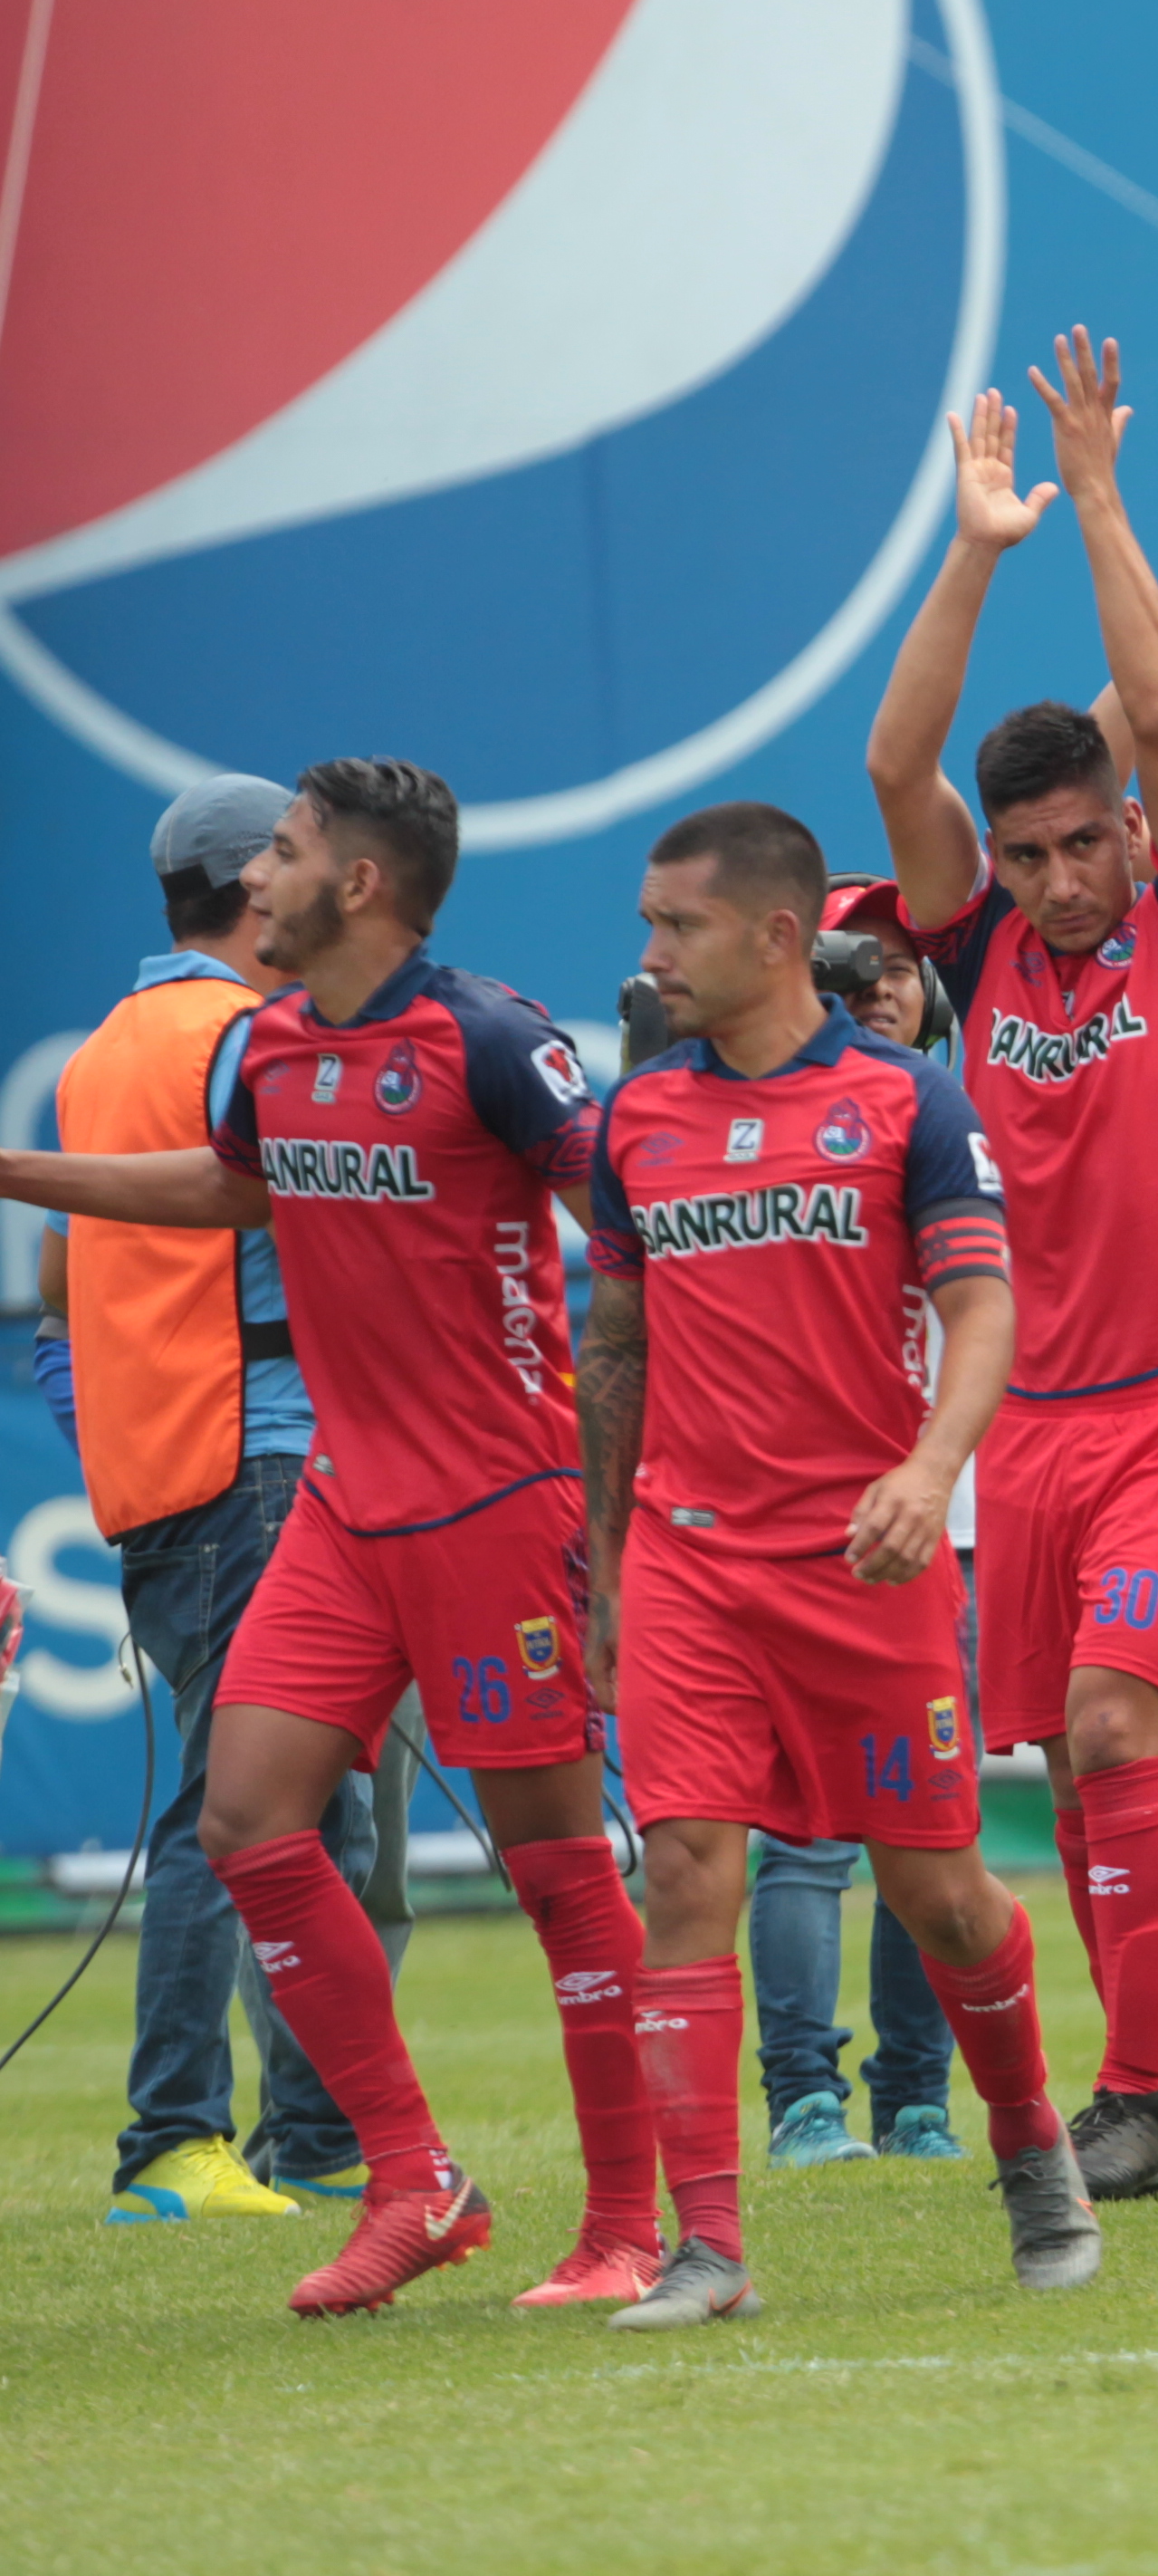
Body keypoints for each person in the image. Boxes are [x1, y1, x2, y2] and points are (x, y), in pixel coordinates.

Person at [0, 760, 660, 2313]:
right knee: (246, 1821)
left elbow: (628, 1227)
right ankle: (413, 2178)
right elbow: (232, 1192)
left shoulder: (494, 1039)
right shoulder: (267, 1047)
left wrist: (642, 1501)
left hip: (500, 1507)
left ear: (356, 884)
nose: (262, 880)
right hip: (345, 1502)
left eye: (285, 853)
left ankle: (631, 2225)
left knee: (561, 1868)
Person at [865, 356, 1158, 2201]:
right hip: (1027, 1426)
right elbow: (899, 765)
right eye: (1036, 854)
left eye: (1089, 844)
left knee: (1130, 1733)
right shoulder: (974, 954)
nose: (1065, 879)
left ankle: (1146, 2094)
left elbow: (1155, 705)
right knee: (1091, 1775)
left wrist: (1094, 494)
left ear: (1137, 834)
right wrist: (978, 553)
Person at [577, 799, 1101, 2327]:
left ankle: (1031, 2149)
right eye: (649, 923)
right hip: (687, 1560)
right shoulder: (637, 1119)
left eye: (677, 925)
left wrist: (931, 1467)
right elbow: (616, 1350)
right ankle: (712, 2250)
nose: (652, 952)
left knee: (939, 1896)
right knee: (685, 1873)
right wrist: (609, 1566)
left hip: (865, 1568)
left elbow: (986, 1308)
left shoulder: (907, 1101)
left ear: (779, 936)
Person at [59, 774, 370, 2224]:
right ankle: (173, 2142)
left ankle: (314, 2136)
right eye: (304, 857)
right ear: (257, 886)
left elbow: (65, 1287)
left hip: (173, 1464)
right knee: (238, 1814)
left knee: (313, 1812)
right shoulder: (246, 1038)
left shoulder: (107, 1049)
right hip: (259, 1458)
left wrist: (106, 1424)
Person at [742, 879, 969, 2171]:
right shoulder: (760, 1121)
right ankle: (803, 2103)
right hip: (802, 1517)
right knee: (808, 1831)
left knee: (922, 1825)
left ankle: (920, 2101)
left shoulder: (966, 1103)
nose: (879, 984)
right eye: (850, 966)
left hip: (954, 1516)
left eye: (900, 963)